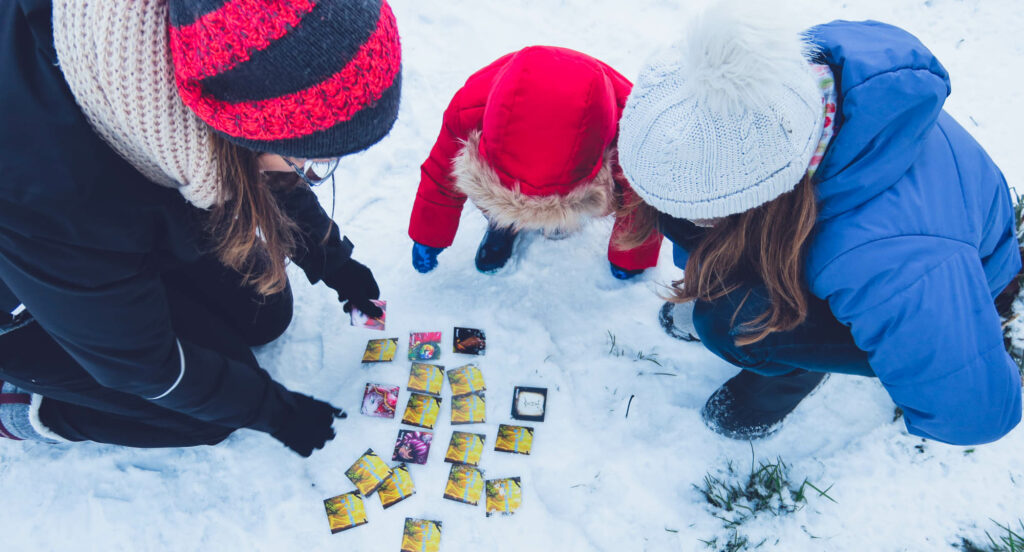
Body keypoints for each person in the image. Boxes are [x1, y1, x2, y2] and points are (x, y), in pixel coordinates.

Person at [0, 0, 402, 455]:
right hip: (28, 306)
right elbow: (143, 368)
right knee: (201, 415)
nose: (313, 169)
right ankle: (26, 411)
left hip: (119, 232)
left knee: (266, 311)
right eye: (311, 159)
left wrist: (334, 262)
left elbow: (269, 163)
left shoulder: (207, 52)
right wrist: (271, 409)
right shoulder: (50, 190)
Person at [616, 6, 1022, 445]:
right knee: (687, 229)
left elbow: (974, 413)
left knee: (735, 323)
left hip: (919, 283)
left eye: (706, 211)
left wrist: (892, 345)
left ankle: (777, 386)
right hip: (827, 228)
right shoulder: (782, 88)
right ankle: (719, 286)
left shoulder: (899, 265)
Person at [407, 46, 663, 277]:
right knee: (492, 194)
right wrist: (430, 232)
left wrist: (630, 254)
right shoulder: (472, 106)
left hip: (595, 156)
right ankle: (502, 224)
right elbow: (442, 172)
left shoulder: (633, 132)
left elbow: (641, 202)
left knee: (613, 196)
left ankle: (547, 219)